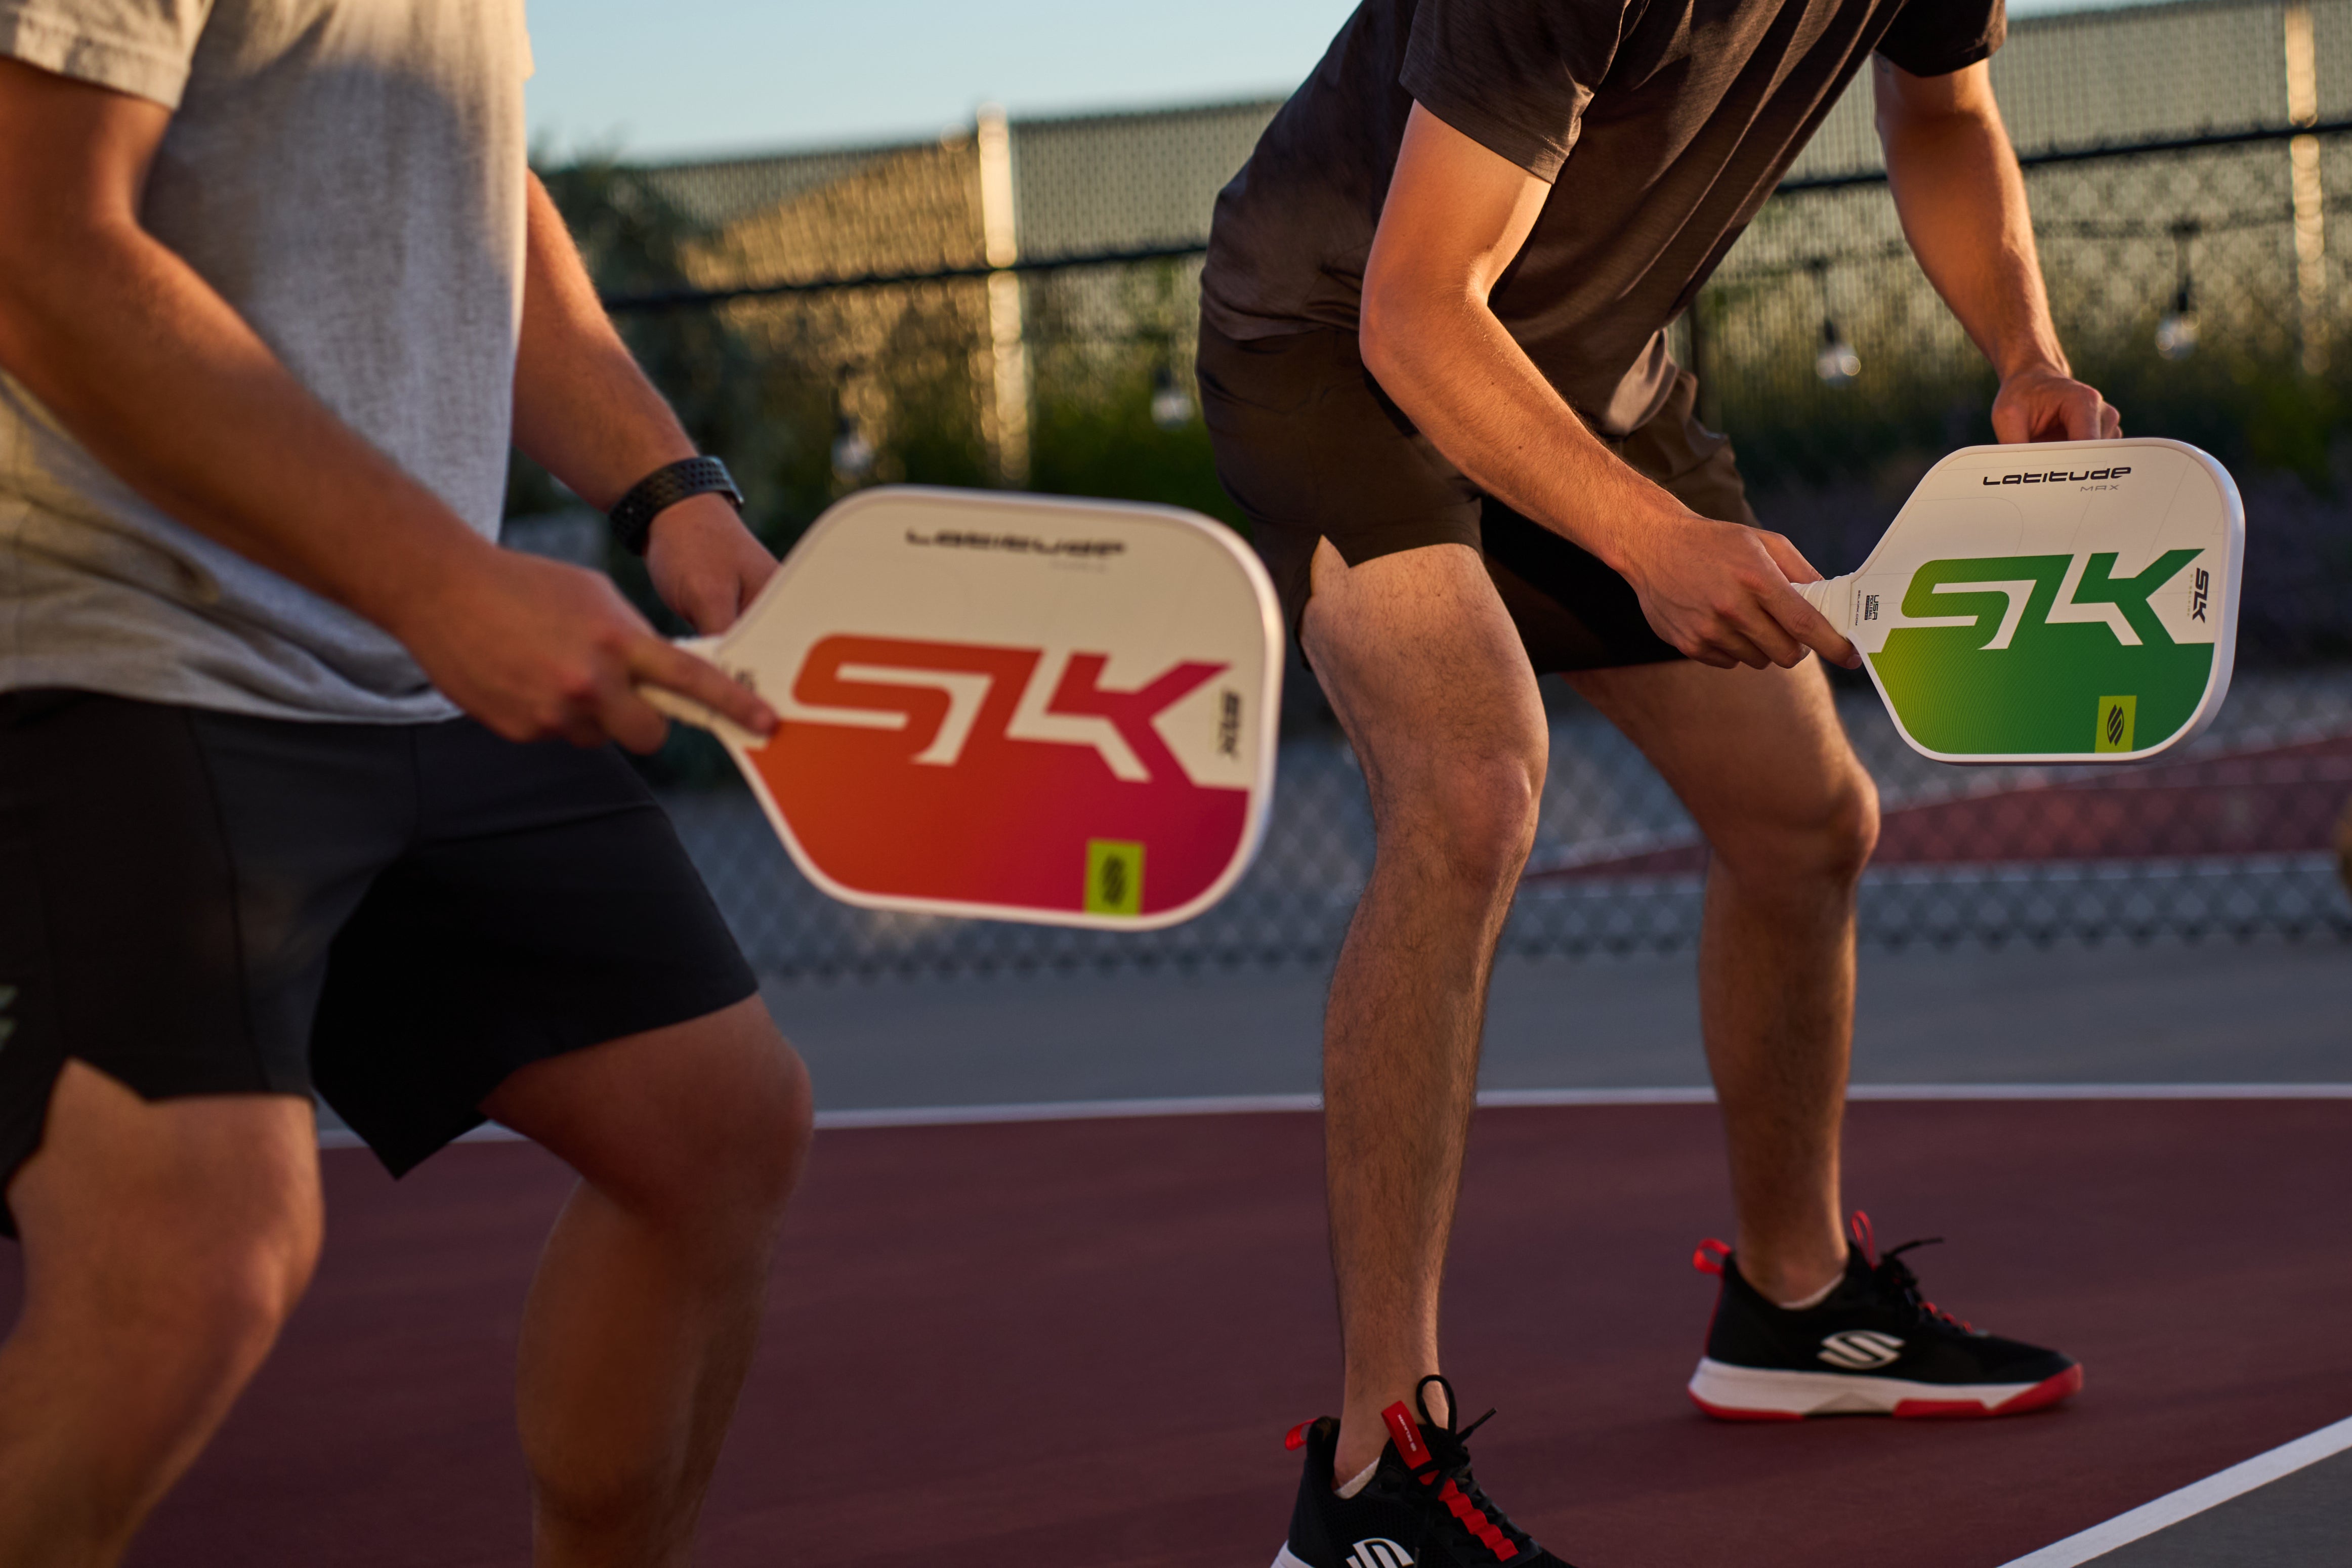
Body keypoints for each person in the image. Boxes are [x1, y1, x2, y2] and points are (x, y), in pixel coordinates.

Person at [1197, 3, 2106, 1562]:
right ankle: (1370, 1485)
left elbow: (1942, 112)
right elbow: (1417, 313)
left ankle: (1793, 1304)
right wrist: (1648, 543)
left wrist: (2026, 349)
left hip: (1585, 373)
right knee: (1475, 782)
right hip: (1339, 341)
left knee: (1808, 820)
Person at [0, 5, 812, 1564]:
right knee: (193, 1271)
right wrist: (447, 583)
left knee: (718, 1130)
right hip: (126, 642)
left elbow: (474, 196)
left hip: (405, 654)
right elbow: (39, 243)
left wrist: (669, 491)